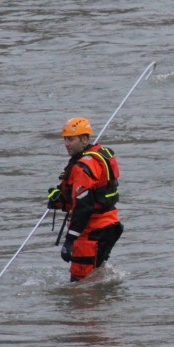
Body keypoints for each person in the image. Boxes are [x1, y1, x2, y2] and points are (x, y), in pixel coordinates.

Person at [47, 117, 124, 281]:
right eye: (65, 139)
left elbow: (84, 207)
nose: (67, 144)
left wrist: (69, 241)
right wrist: (61, 200)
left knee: (80, 285)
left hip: (92, 231)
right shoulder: (94, 158)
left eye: (71, 139)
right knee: (95, 277)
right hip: (109, 224)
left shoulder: (83, 166)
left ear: (84, 139)